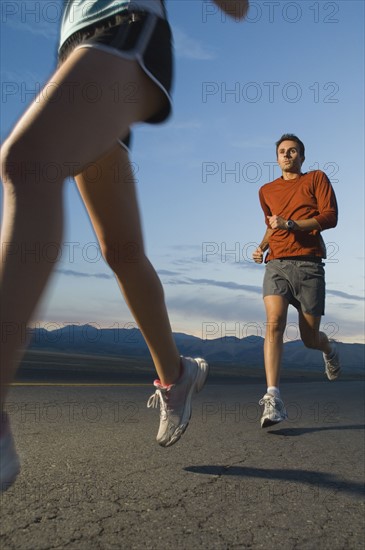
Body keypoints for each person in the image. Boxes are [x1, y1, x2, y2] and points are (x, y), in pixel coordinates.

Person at [0, 0, 250, 491]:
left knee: (28, 163)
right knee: (121, 251)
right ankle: (176, 375)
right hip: (80, 48)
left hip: (124, 27)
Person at [252, 134, 340, 428]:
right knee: (274, 322)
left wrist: (291, 224)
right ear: (277, 158)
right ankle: (273, 398)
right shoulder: (266, 190)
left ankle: (328, 350)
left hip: (309, 265)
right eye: (282, 151)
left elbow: (330, 217)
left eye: (292, 151)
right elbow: (271, 225)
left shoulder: (316, 179)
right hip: (276, 264)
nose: (287, 155)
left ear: (301, 157)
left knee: (309, 339)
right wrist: (262, 246)